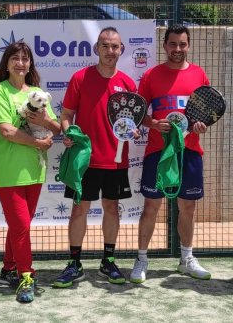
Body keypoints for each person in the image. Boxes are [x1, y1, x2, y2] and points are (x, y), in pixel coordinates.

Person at [53, 27, 137, 288]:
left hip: (115, 159)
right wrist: (68, 134)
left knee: (112, 208)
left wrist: (133, 130)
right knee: (80, 209)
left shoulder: (128, 84)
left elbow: (131, 122)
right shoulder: (80, 78)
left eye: (115, 46)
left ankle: (108, 260)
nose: (110, 51)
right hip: (84, 160)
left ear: (121, 49)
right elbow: (66, 115)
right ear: (96, 49)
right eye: (105, 46)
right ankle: (75, 262)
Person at [130, 24, 212, 284]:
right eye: (173, 44)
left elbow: (207, 114)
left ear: (188, 45)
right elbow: (138, 114)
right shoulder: (152, 75)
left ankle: (186, 259)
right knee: (151, 207)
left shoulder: (200, 75)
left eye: (183, 44)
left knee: (187, 207)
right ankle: (142, 260)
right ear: (165, 45)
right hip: (157, 151)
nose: (178, 49)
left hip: (189, 151)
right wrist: (153, 124)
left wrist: (202, 125)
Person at [0, 42, 60, 303]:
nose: (21, 63)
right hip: (8, 172)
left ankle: (8, 267)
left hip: (34, 170)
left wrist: (44, 123)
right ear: (6, 63)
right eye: (15, 58)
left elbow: (56, 127)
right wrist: (38, 142)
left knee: (21, 227)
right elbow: (6, 130)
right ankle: (25, 276)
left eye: (25, 59)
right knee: (21, 226)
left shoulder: (38, 93)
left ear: (30, 64)